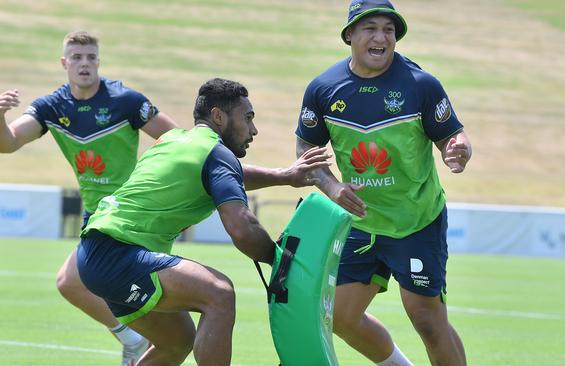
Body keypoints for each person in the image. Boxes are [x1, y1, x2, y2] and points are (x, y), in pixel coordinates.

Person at [76, 77, 329, 366]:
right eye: (248, 118)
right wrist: (282, 263)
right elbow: (242, 228)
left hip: (93, 252)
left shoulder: (175, 140)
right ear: (219, 116)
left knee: (177, 342)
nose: (254, 129)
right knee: (219, 294)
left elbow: (230, 174)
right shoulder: (215, 155)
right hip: (119, 253)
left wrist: (284, 176)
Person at [295, 1, 471, 365]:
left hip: (415, 221)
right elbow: (307, 149)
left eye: (388, 30)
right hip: (361, 221)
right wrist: (331, 187)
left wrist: (458, 151)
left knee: (427, 320)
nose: (381, 37)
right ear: (349, 36)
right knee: (340, 317)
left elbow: (453, 138)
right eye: (370, 29)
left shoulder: (421, 84)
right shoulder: (324, 89)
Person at [0, 31, 178, 365]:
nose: (85, 64)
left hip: (133, 214)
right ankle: (137, 340)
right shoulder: (52, 106)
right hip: (98, 215)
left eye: (91, 57)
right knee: (71, 283)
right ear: (64, 64)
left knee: (133, 294)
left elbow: (177, 140)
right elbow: (8, 143)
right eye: (77, 58)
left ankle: (146, 341)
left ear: (99, 61)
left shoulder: (125, 101)